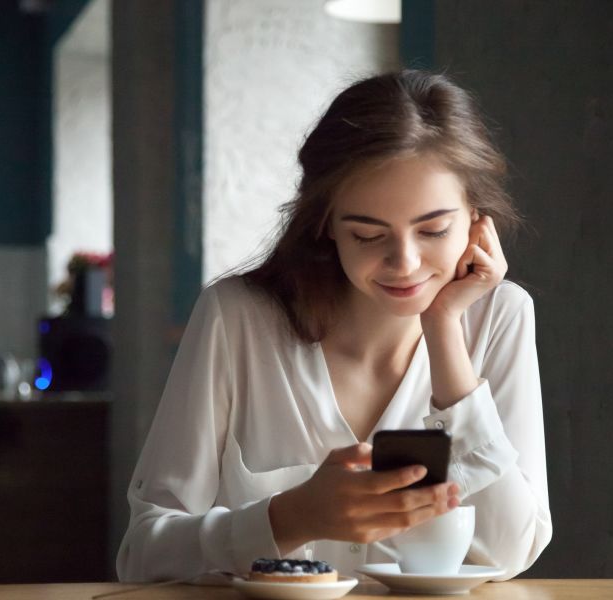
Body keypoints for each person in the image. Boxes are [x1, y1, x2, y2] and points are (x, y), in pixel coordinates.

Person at [117, 70, 552, 582]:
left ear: (477, 220)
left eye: (433, 230)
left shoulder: (499, 316)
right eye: (368, 235)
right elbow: (142, 555)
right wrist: (291, 517)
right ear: (325, 223)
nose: (405, 263)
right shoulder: (236, 318)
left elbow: (511, 552)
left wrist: (445, 334)